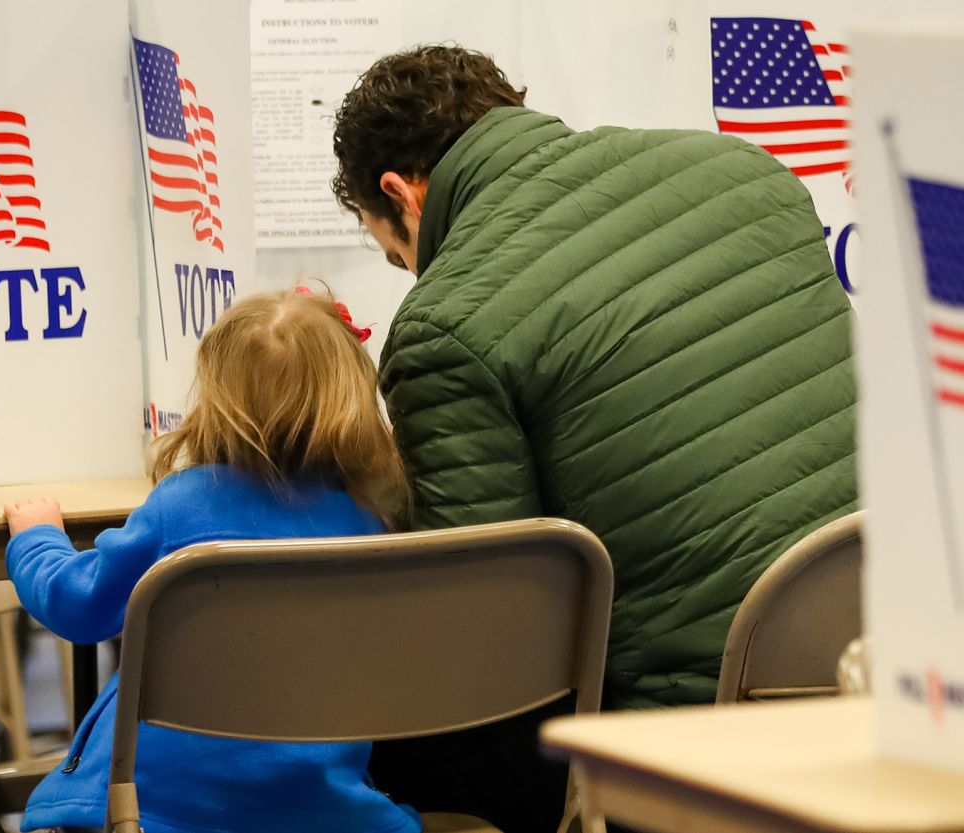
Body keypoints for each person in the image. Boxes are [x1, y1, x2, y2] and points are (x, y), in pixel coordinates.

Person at [331, 45, 858, 831]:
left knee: (340, 741)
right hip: (873, 670)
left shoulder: (445, 322)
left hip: (686, 728)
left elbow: (485, 638)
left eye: (396, 252)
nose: (413, 270)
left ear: (402, 193)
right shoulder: (749, 173)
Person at [2, 289, 421, 833]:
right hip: (319, 812)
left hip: (154, 812)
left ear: (217, 399)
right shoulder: (369, 527)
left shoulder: (181, 507)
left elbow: (78, 606)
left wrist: (37, 539)